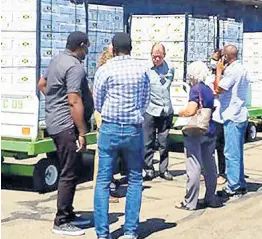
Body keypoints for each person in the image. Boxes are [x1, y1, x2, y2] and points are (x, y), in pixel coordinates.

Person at [93, 32, 150, 239]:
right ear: (131, 48)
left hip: (110, 127)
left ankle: (102, 233)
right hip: (133, 128)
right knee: (135, 179)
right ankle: (130, 232)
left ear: (113, 49)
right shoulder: (142, 69)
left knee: (103, 181)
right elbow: (145, 100)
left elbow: (98, 101)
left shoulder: (105, 70)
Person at [38, 31, 92, 236]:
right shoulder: (74, 67)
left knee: (72, 168)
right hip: (66, 126)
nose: (87, 50)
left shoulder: (56, 60)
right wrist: (81, 132)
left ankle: (68, 213)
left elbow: (42, 85)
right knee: (69, 172)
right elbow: (74, 100)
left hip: (55, 122)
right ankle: (61, 221)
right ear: (81, 45)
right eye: (86, 46)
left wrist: (53, 102)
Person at [176, 61, 222, 210]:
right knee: (209, 166)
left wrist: (181, 112)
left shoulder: (195, 89)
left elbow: (191, 109)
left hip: (196, 131)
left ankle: (190, 202)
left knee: (194, 166)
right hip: (210, 129)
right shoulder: (208, 89)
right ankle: (210, 197)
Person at [215, 45, 249, 197]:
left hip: (232, 115)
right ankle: (240, 182)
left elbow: (218, 88)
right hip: (240, 113)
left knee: (230, 153)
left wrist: (219, 71)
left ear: (227, 57)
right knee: (238, 152)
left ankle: (233, 185)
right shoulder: (242, 68)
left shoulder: (231, 71)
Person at [143, 43, 174, 181]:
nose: (156, 59)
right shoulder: (146, 70)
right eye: (154, 57)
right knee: (147, 141)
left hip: (165, 109)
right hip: (150, 109)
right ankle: (148, 168)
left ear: (164, 56)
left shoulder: (170, 68)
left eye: (159, 57)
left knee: (164, 142)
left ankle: (164, 169)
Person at [94, 44, 120, 204]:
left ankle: (108, 184)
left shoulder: (102, 72)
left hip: (103, 115)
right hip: (105, 117)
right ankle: (104, 191)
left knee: (107, 155)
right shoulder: (106, 73)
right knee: (104, 156)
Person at [206, 49, 227, 185]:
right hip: (208, 115)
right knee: (207, 145)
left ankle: (222, 172)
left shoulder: (226, 77)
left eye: (215, 60)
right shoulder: (208, 77)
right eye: (211, 60)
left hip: (220, 115)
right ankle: (206, 171)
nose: (212, 63)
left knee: (220, 145)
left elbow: (219, 91)